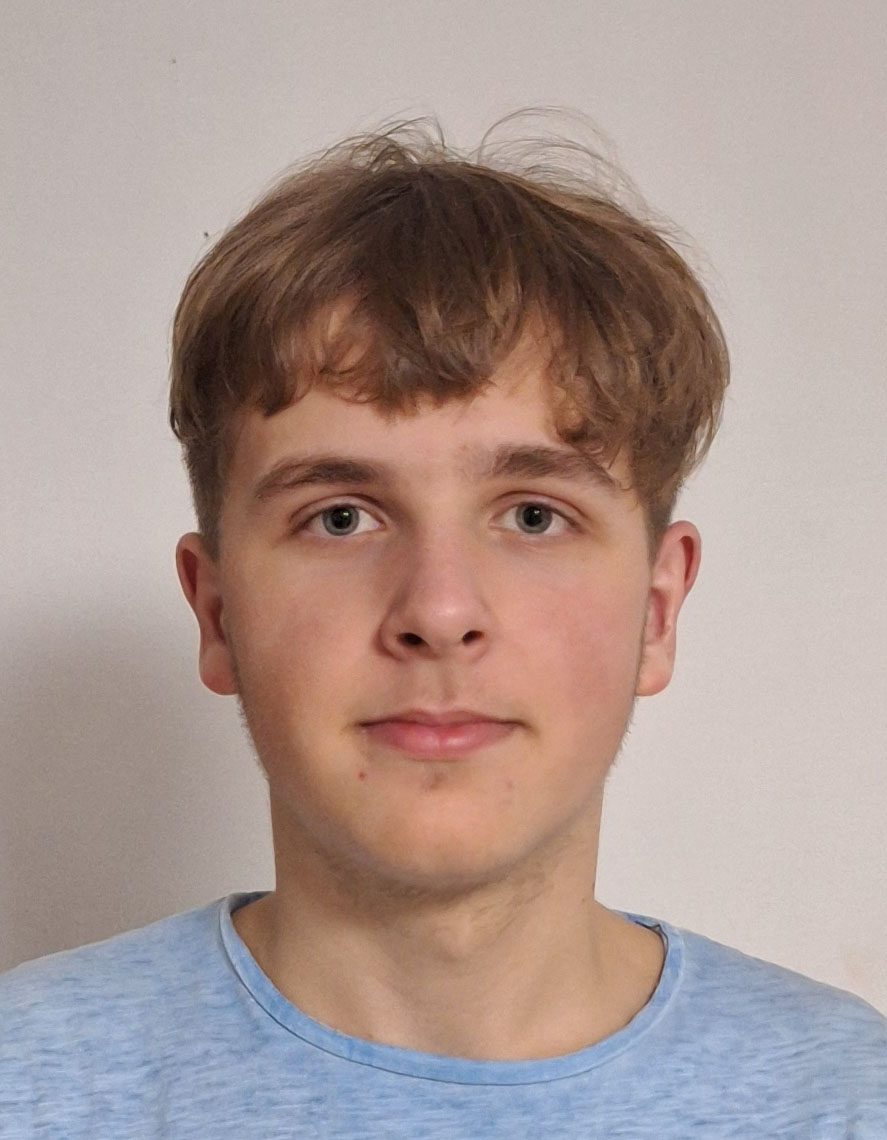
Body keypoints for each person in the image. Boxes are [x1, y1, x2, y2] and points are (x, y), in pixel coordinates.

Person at [1, 114, 884, 1138]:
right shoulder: (28, 1086)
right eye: (340, 517)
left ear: (655, 610)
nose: (439, 610)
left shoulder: (846, 1100)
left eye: (532, 516)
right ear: (217, 611)